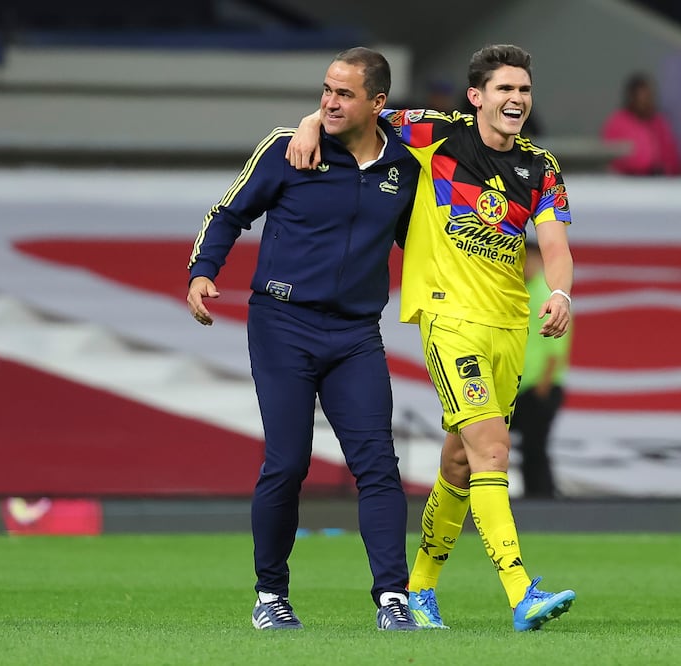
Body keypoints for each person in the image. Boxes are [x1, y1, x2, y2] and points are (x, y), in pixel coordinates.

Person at [287, 44, 576, 632]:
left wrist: (561, 292)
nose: (516, 99)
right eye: (504, 89)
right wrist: (311, 120)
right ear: (477, 97)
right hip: (448, 319)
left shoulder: (541, 167)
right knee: (494, 449)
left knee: (460, 462)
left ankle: (418, 591)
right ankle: (521, 592)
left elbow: (554, 244)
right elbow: (360, 111)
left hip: (508, 324)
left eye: (523, 90)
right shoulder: (437, 133)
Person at [186, 47, 421, 632]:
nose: (327, 102)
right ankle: (271, 595)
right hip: (282, 324)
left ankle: (393, 599)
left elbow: (422, 244)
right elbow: (228, 212)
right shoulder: (291, 147)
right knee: (287, 463)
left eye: (343, 94)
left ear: (379, 103)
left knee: (378, 466)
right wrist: (203, 269)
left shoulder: (407, 167)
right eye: (325, 91)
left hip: (356, 333)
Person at [510, 240, 573, 499]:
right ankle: (534, 499)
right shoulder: (516, 292)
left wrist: (543, 387)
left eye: (531, 259)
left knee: (534, 447)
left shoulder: (547, 295)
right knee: (495, 445)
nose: (526, 265)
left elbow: (555, 348)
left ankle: (542, 501)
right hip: (515, 384)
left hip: (538, 386)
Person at [600, 73, 681, 176]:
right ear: (632, 97)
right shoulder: (618, 122)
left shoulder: (659, 122)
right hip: (626, 182)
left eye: (649, 96)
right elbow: (610, 156)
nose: (646, 101)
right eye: (642, 97)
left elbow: (672, 155)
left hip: (659, 182)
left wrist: (667, 169)